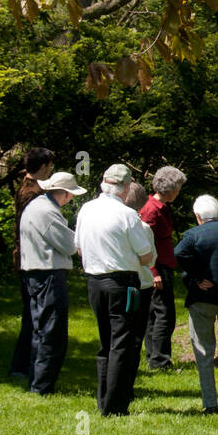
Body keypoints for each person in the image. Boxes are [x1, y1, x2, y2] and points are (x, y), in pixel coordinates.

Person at [74, 164, 155, 416]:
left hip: (95, 281)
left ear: (103, 183)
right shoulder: (127, 215)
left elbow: (79, 248)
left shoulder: (86, 209)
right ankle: (115, 405)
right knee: (121, 343)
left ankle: (103, 399)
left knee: (105, 340)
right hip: (123, 284)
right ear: (127, 187)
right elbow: (146, 256)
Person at [18, 171, 85, 394]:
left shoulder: (38, 206)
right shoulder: (46, 212)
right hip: (47, 274)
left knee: (40, 328)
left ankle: (37, 381)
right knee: (51, 331)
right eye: (71, 195)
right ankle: (42, 384)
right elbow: (69, 245)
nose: (72, 199)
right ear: (64, 193)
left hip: (36, 272)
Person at [174, 194, 218, 414]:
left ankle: (210, 403)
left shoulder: (193, 234)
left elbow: (178, 253)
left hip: (202, 298)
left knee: (204, 350)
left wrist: (197, 276)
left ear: (198, 216)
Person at [10, 147, 54, 379]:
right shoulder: (31, 193)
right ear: (43, 167)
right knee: (33, 315)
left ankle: (25, 363)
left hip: (27, 256)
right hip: (30, 257)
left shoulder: (30, 188)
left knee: (32, 314)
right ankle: (24, 364)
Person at [141, 166, 186, 370]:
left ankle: (154, 356)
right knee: (163, 314)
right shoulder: (151, 209)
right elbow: (144, 242)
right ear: (169, 188)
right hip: (157, 266)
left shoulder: (162, 206)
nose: (179, 192)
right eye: (178, 188)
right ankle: (160, 360)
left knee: (157, 313)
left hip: (164, 263)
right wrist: (153, 273)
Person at [123, 183, 158, 351]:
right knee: (137, 332)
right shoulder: (143, 228)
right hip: (142, 283)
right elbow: (151, 260)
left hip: (117, 281)